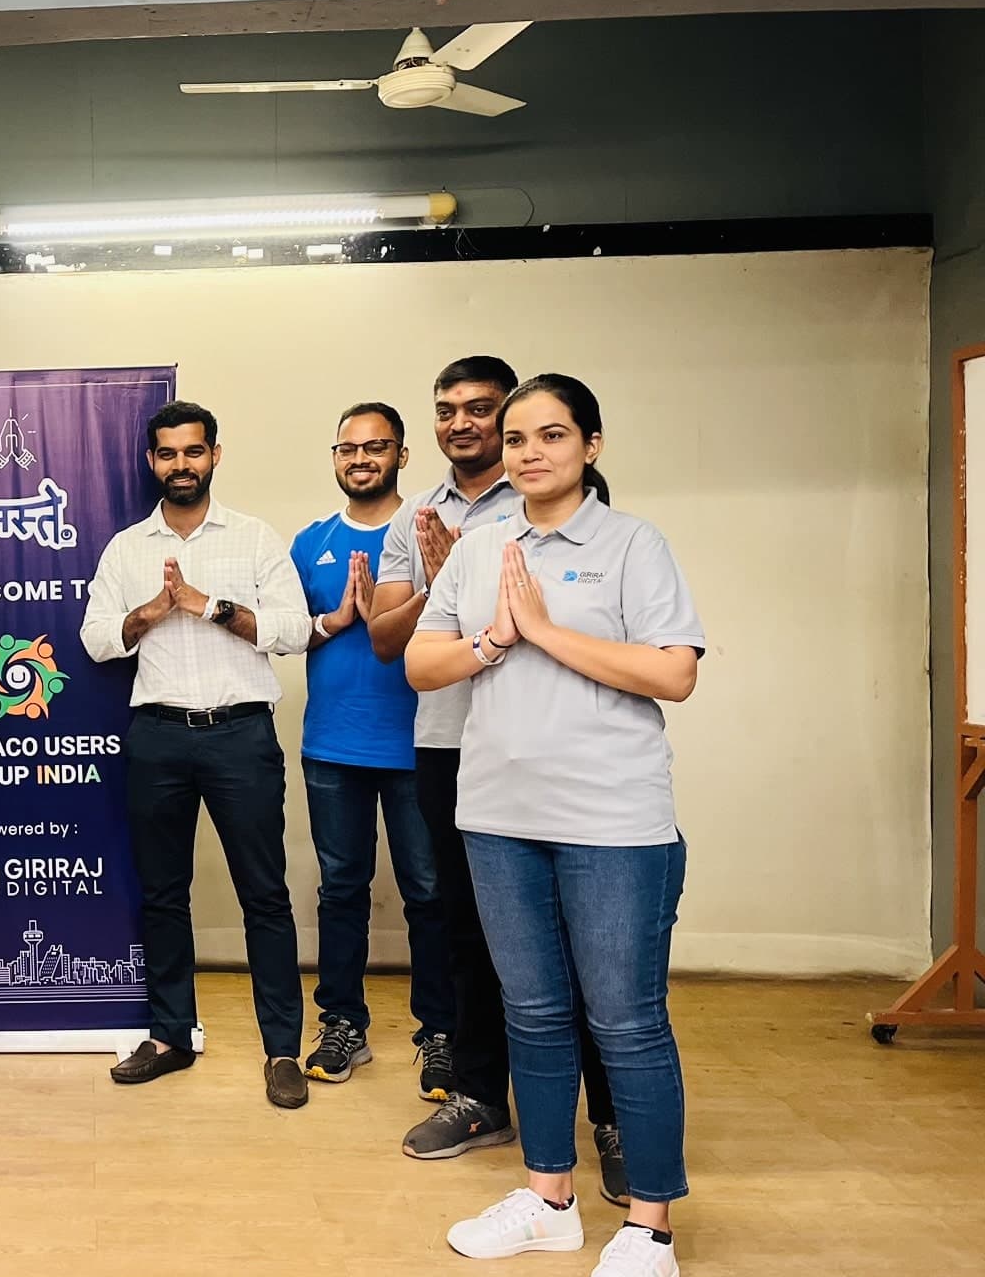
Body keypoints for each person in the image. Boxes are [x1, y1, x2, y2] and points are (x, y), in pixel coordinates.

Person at [407, 374, 702, 1277]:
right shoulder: (481, 546)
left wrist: (541, 629)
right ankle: (549, 1201)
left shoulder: (632, 544)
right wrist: (494, 641)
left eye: (553, 435)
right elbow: (421, 661)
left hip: (613, 824)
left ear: (592, 445)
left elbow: (673, 673)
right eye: (517, 437)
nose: (530, 452)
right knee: (532, 1016)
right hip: (498, 817)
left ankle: (650, 1233)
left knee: (626, 1022)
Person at [368, 357, 627, 1205]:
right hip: (453, 745)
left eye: (484, 411)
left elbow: (596, 636)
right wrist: (444, 579)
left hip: (559, 748)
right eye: (448, 410)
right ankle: (482, 1096)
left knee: (584, 943)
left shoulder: (564, 502)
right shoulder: (417, 517)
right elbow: (390, 642)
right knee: (470, 931)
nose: (464, 424)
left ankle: (613, 1120)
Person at [82, 401, 313, 1109]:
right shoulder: (127, 548)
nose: (180, 464)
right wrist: (154, 609)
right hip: (158, 736)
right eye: (167, 453)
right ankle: (170, 1035)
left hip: (241, 735)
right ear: (151, 461)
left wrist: (211, 606)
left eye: (192, 451)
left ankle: (281, 1050)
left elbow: (294, 630)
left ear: (214, 454)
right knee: (162, 893)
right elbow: (96, 639)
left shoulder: (254, 537)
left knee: (264, 895)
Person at [290, 403, 454, 1093]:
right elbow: (286, 633)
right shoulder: (311, 542)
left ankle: (442, 1031)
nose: (360, 459)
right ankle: (342, 1024)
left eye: (376, 447)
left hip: (420, 742)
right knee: (341, 890)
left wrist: (413, 599)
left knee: (430, 893)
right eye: (348, 448)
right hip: (333, 743)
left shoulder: (429, 531)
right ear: (335, 458)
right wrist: (335, 621)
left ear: (402, 456)